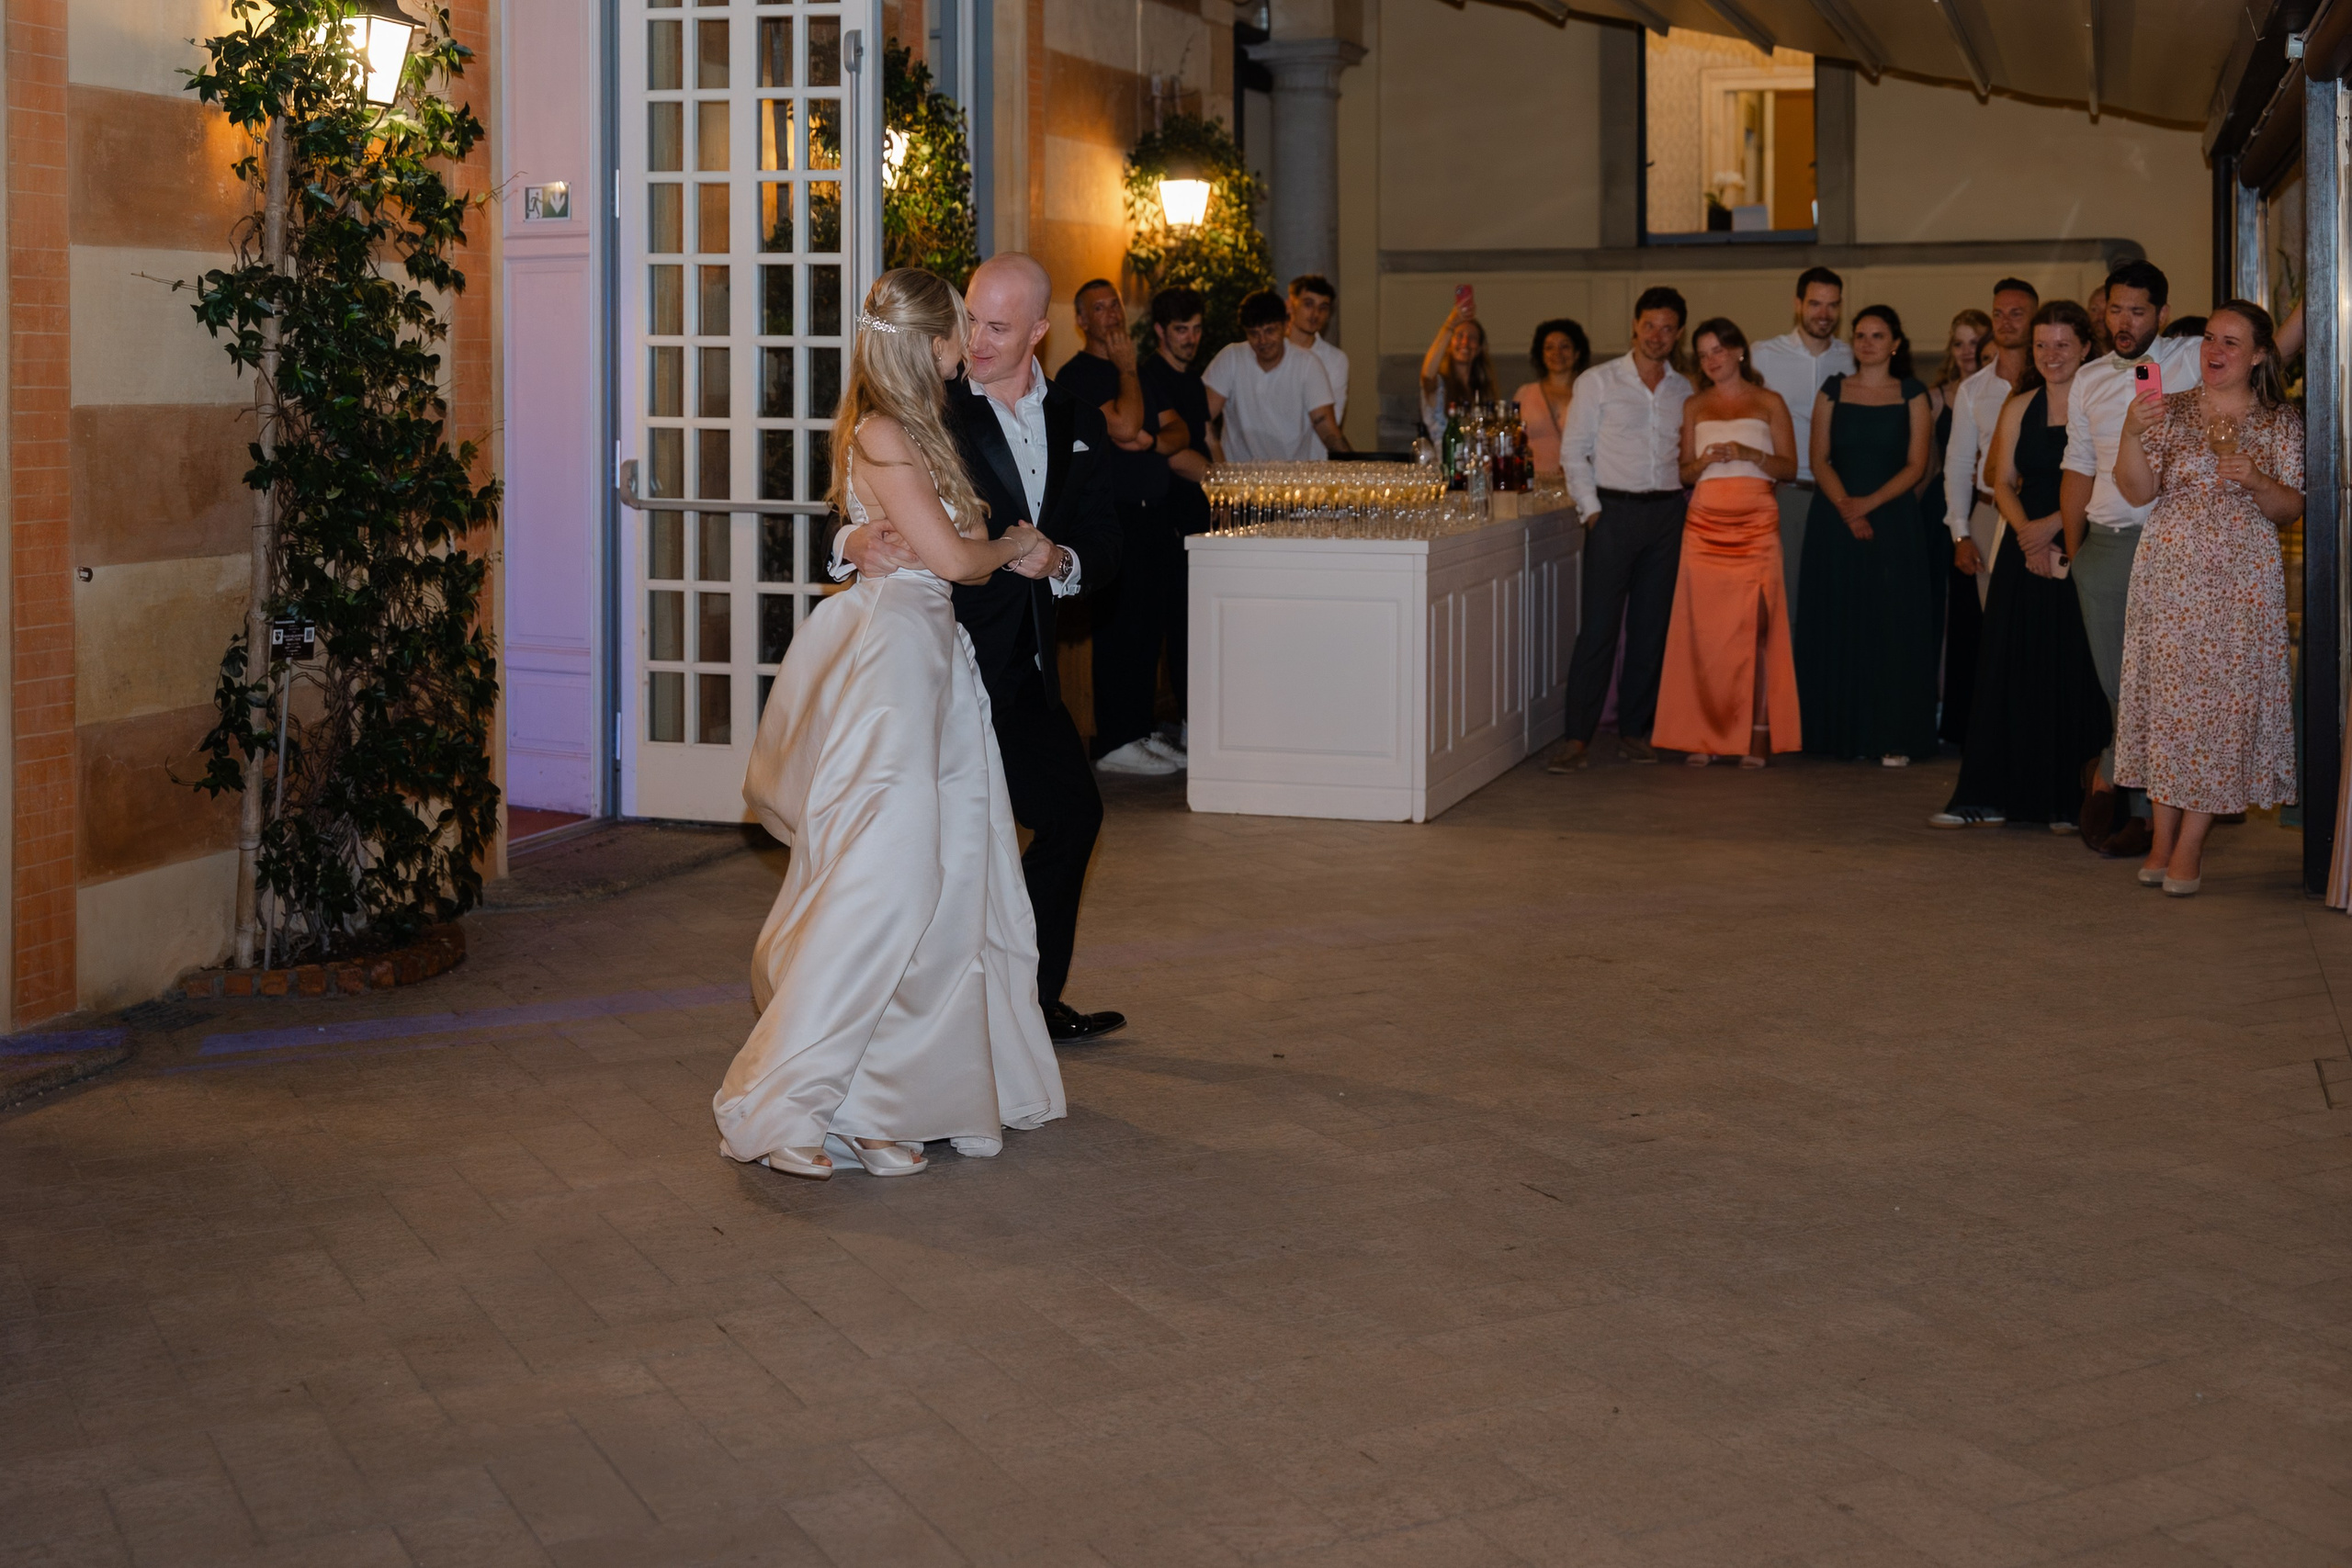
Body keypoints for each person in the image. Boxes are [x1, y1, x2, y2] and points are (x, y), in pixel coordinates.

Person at [718, 268, 1068, 1180]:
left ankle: (883, 1105)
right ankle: (786, 1103)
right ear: (929, 341)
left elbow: (918, 538)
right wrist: (1017, 546)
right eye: (958, 328)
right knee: (883, 888)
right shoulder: (881, 428)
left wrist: (876, 540)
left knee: (944, 894)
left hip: (938, 672)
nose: (969, 344)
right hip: (892, 680)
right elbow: (954, 558)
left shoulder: (916, 424)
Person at [835, 253, 1129, 1046]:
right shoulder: (928, 401)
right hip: (935, 666)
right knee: (939, 855)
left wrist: (1060, 559)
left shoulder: (1079, 419)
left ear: (1040, 330)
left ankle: (1025, 1001)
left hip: (1022, 671)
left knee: (1071, 818)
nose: (978, 339)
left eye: (1000, 326)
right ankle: (944, 1019)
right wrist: (854, 536)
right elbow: (868, 490)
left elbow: (1108, 539)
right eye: (970, 319)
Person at [2111, 301, 2305, 897]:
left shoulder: (2280, 422)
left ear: (2259, 355)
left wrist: (2255, 478)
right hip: (2169, 575)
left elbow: (2292, 507)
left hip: (2240, 581)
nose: (2215, 351)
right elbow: (2138, 490)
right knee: (2171, 707)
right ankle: (2161, 840)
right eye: (2209, 340)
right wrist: (2130, 432)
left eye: (2230, 342)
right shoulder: (2169, 411)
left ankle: (2190, 845)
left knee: (2221, 712)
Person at [1930, 300, 2110, 830]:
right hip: (2024, 546)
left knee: (2071, 668)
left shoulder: (2103, 404)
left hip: (2078, 539)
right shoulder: (2018, 404)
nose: (2051, 355)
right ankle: (1988, 798)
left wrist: (2053, 525)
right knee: (2006, 667)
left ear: (2084, 348)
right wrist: (2028, 536)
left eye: (2062, 345)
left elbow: (2112, 477)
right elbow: (2000, 479)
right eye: (2042, 345)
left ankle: (2067, 800)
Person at [2058, 259, 2206, 861]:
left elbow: (2266, 346)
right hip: (2108, 547)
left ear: (2162, 314)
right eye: (2115, 308)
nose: (2123, 321)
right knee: (2122, 686)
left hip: (2174, 546)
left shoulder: (2194, 357)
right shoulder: (2089, 379)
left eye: (2137, 311)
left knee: (2162, 688)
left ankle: (2121, 789)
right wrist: (2077, 555)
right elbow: (2077, 468)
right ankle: (2133, 796)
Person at [1548, 286, 1694, 772]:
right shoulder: (1598, 381)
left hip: (1668, 514)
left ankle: (1635, 731)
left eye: (1668, 328)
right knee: (1598, 629)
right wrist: (1592, 513)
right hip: (1612, 513)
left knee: (1651, 629)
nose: (1658, 335)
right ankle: (1577, 738)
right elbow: (1574, 452)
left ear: (1678, 334)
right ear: (1635, 325)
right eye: (1650, 325)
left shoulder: (1685, 389)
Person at [1058, 279, 1193, 777]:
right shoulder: (1079, 374)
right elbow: (1123, 423)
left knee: (1150, 626)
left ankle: (1138, 730)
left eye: (1115, 303)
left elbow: (1179, 430)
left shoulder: (1130, 369)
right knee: (1122, 625)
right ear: (1082, 321)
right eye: (1099, 307)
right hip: (1114, 514)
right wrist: (1129, 373)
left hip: (1154, 512)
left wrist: (1149, 440)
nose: (1112, 313)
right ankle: (1116, 739)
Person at [1793, 304, 1938, 766]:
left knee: (1890, 628)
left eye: (1878, 335)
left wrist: (1868, 505)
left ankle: (1892, 734)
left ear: (1895, 343)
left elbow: (1918, 466)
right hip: (1835, 521)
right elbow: (1818, 460)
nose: (1867, 343)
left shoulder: (1913, 393)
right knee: (1838, 620)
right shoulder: (1831, 390)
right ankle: (1835, 734)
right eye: (1860, 335)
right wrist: (1847, 510)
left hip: (1893, 521)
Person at [1652, 318, 1801, 767]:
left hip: (1756, 521)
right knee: (1704, 634)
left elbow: (1790, 468)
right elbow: (1682, 473)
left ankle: (1754, 734)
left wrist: (1751, 454)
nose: (1711, 360)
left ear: (1738, 351)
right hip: (1704, 523)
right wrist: (1702, 462)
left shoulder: (1769, 401)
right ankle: (1705, 733)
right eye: (1702, 354)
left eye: (1717, 350)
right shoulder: (1695, 405)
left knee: (1756, 631)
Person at [1751, 266, 1856, 621]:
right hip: (1786, 493)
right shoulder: (1762, 355)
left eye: (1832, 305)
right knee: (1785, 601)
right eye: (1815, 304)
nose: (1824, 315)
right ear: (1797, 304)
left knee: (1835, 598)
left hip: (1841, 495)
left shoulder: (1854, 358)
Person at [1137, 286, 1215, 756]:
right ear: (1161, 332)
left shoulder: (1192, 379)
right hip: (1172, 516)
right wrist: (1224, 482)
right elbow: (1172, 454)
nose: (1191, 338)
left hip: (1202, 511)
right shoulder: (1153, 377)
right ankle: (1188, 722)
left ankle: (1200, 718)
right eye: (1181, 330)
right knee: (1182, 625)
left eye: (1197, 328)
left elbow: (1206, 438)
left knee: (1202, 621)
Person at [1942, 281, 2037, 608]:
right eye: (1998, 314)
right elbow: (1957, 464)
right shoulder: (1974, 389)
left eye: (2016, 314)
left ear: (2035, 318)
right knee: (1995, 620)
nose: (2005, 322)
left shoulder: (2054, 379)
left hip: (2040, 510)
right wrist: (1961, 534)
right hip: (1989, 511)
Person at [1925, 307, 1994, 748]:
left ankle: (1982, 718)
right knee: (1951, 616)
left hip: (1989, 506)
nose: (1967, 351)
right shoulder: (1937, 397)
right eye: (1959, 343)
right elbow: (1931, 461)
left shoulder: (1998, 392)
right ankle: (1951, 721)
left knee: (1982, 615)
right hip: (1947, 508)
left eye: (1975, 342)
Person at [1203, 288, 1349, 461]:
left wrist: (1357, 469)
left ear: (1286, 325)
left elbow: (1327, 430)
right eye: (1254, 333)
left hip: (1293, 480)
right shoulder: (1232, 358)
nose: (1262, 341)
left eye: (1270, 331)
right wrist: (1219, 464)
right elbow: (1202, 416)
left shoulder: (1307, 364)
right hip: (1240, 480)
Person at [1515, 318, 1589, 479]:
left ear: (1577, 353)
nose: (1557, 353)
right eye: (1549, 347)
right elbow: (1512, 445)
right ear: (1541, 354)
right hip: (1530, 486)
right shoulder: (1525, 393)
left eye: (1565, 346)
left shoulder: (1590, 393)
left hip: (1579, 485)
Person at [1419, 296, 1500, 440]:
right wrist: (1450, 324)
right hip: (1445, 461)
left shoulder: (1483, 389)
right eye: (1459, 336)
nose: (1465, 342)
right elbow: (1427, 374)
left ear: (1480, 348)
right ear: (1449, 343)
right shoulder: (1439, 385)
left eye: (1472, 338)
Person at [1288, 274, 1350, 424]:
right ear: (1291, 305)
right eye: (1308, 304)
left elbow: (1333, 420)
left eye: (1323, 307)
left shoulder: (1335, 359)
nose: (1315, 314)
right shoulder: (1271, 350)